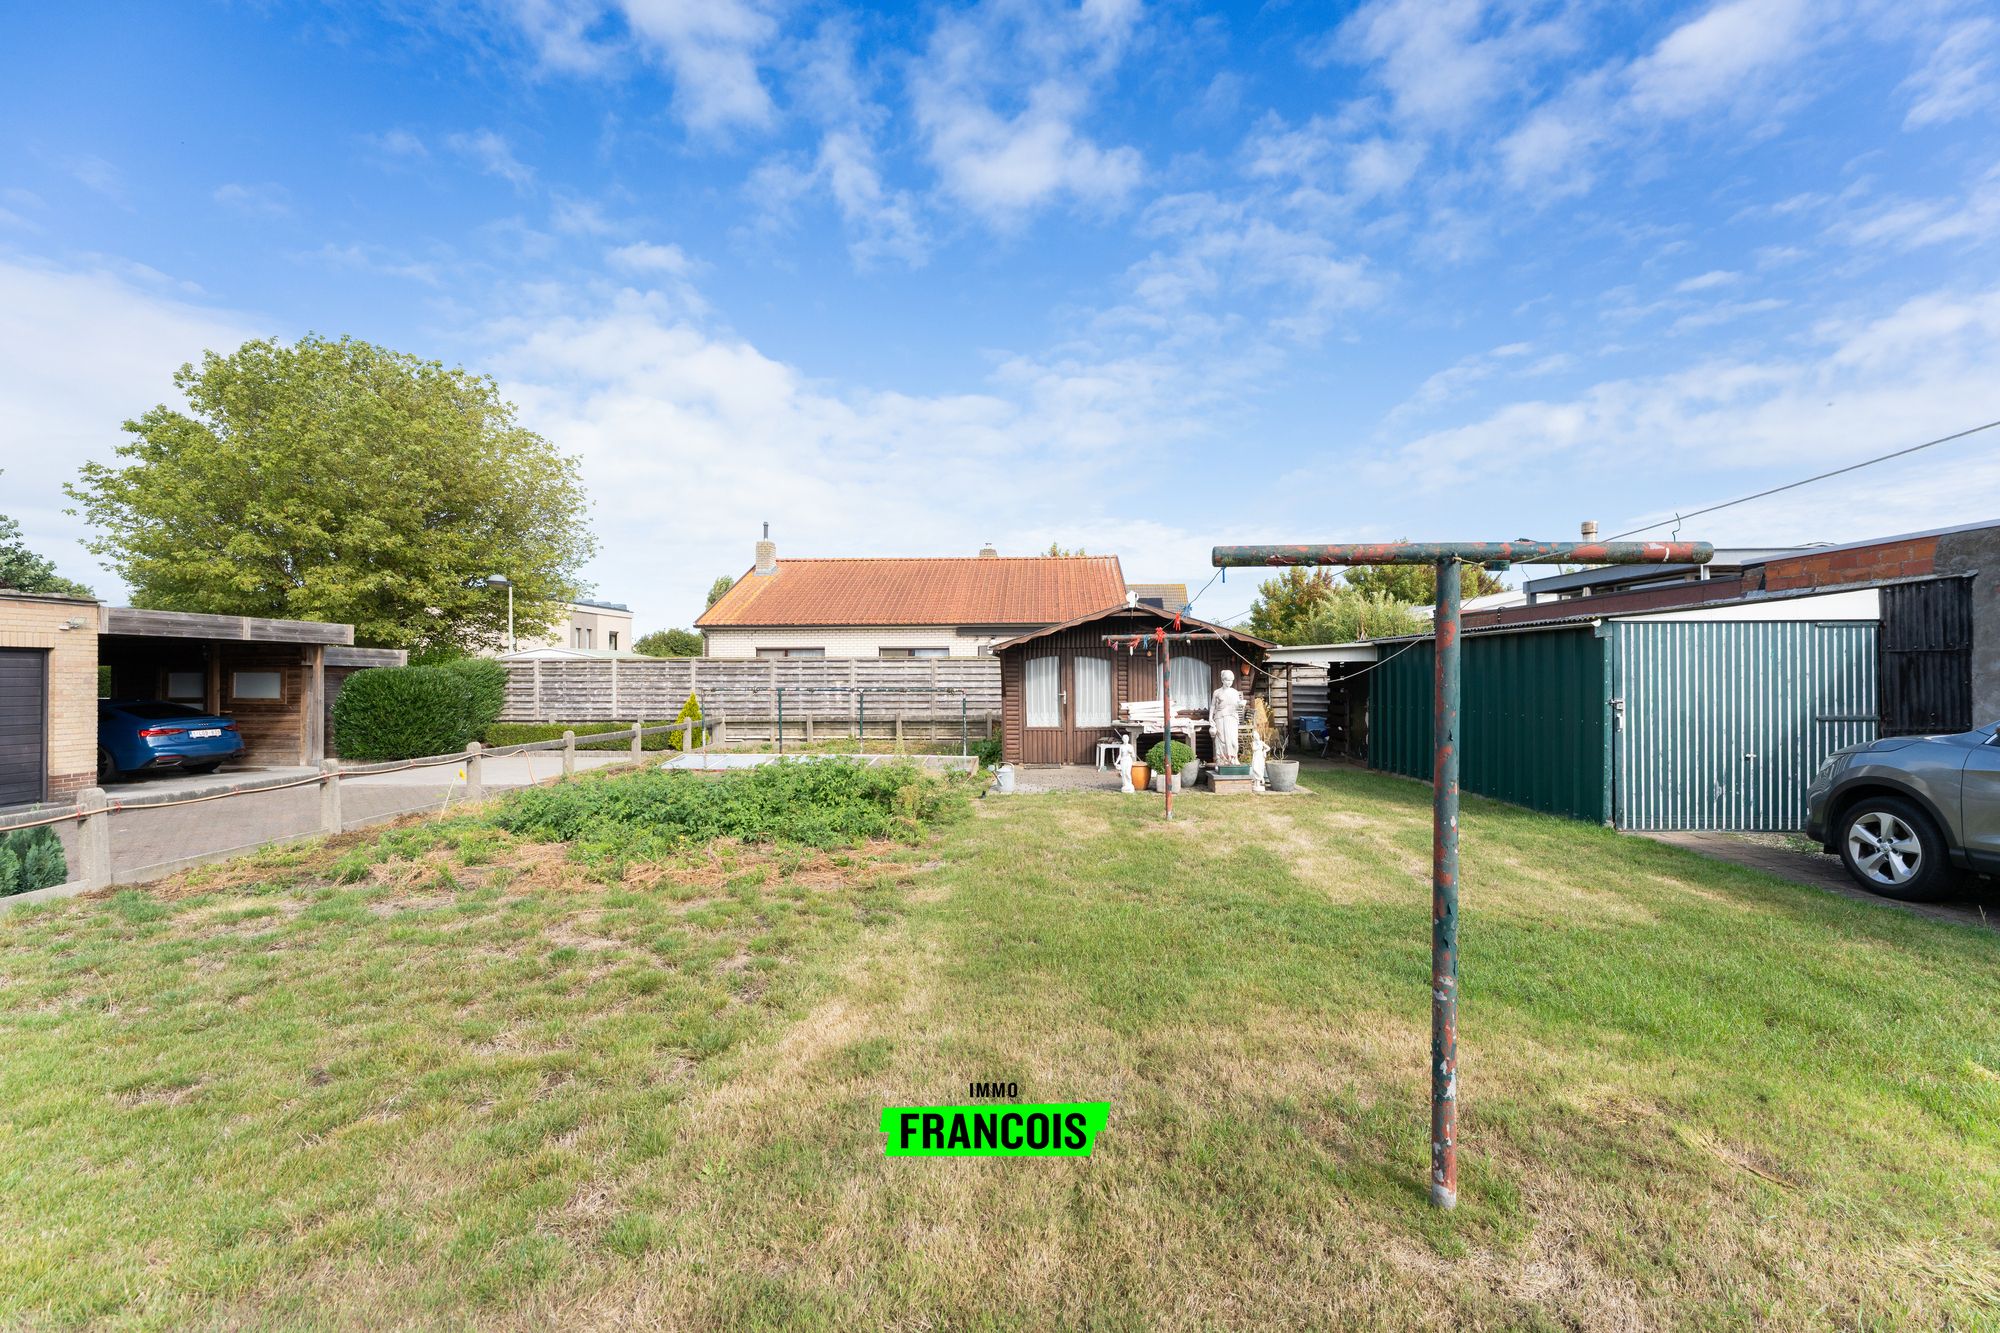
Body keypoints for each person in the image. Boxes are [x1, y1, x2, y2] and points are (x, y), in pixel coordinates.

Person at [1210, 669, 1245, 764]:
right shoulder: (1217, 692)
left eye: (1231, 680)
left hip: (1232, 717)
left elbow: (1238, 705)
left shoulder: (1234, 692)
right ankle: (1221, 760)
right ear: (1222, 680)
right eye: (1227, 680)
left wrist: (1241, 705)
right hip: (1220, 717)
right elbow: (1213, 706)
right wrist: (1210, 718)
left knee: (1233, 740)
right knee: (1222, 740)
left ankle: (1233, 758)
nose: (1229, 682)